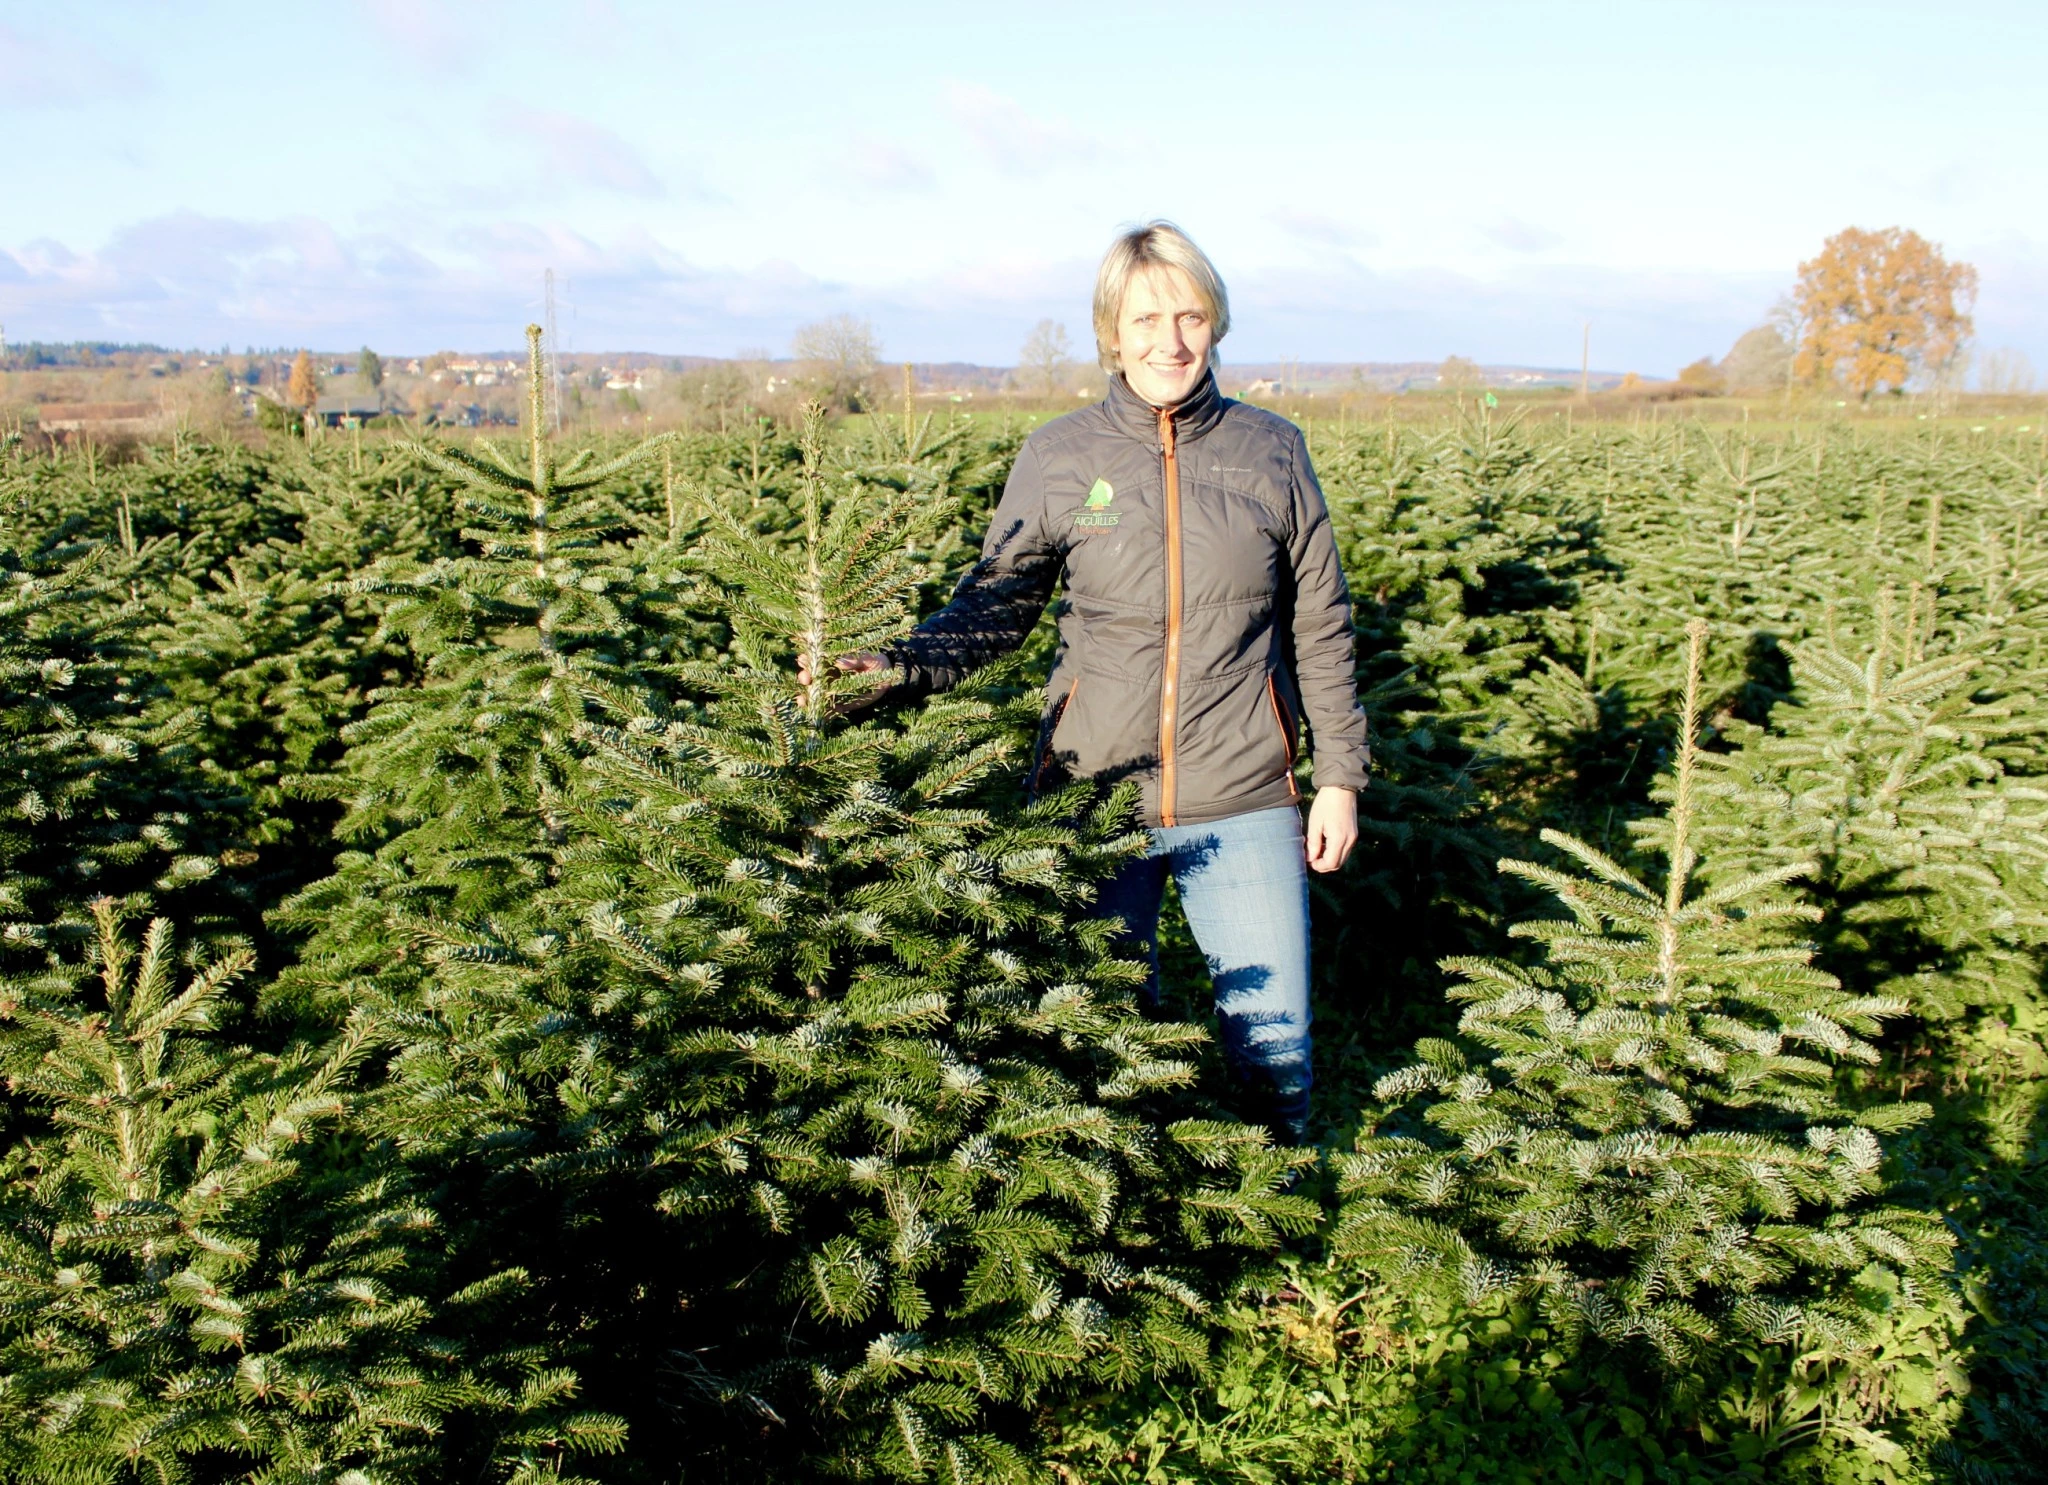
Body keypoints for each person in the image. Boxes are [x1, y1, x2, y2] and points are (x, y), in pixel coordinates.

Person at [808, 221, 1368, 1140]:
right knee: (1103, 1036)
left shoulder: (1271, 449)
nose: (1170, 340)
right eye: (1147, 318)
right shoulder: (1062, 455)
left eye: (1190, 315)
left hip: (1244, 789)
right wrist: (895, 668)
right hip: (1091, 795)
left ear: (1215, 324)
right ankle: (1143, 1240)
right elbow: (994, 606)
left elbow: (1321, 625)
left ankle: (1280, 1223)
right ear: (1112, 332)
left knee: (1274, 1046)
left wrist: (1338, 779)